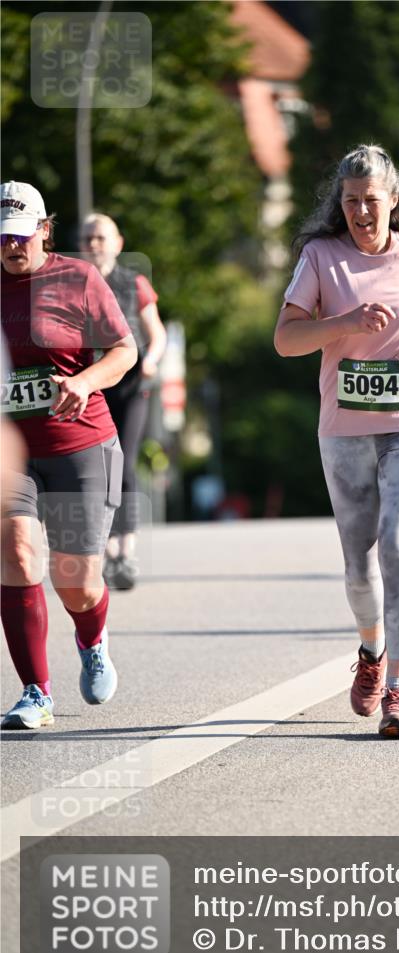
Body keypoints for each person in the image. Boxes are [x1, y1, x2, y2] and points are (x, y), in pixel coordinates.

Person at [274, 145, 399, 740]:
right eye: (351, 202)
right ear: (341, 204)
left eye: (372, 201)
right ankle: (371, 652)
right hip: (345, 430)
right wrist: (344, 323)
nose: (362, 212)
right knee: (360, 566)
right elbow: (286, 339)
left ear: (394, 201)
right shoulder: (320, 257)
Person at [1, 181, 137, 729]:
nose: (12, 247)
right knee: (16, 553)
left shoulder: (78, 278)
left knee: (75, 577)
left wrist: (84, 381)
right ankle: (36, 692)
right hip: (11, 450)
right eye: (2, 238)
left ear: (44, 230)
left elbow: (124, 350)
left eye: (21, 236)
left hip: (81, 441)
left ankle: (92, 637)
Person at [80, 213, 166, 590]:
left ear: (117, 242)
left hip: (131, 385)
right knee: (94, 468)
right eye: (87, 239)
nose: (94, 244)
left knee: (124, 463)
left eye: (100, 237)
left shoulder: (134, 283)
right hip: (90, 386)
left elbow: (156, 332)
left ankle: (124, 552)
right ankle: (104, 549)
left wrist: (150, 360)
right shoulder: (70, 284)